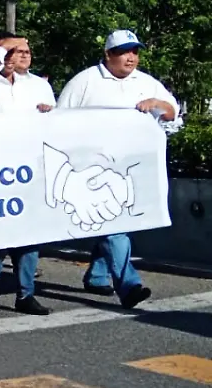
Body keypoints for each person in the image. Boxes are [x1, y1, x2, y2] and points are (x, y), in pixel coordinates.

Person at [57, 29, 176, 309]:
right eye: (124, 51)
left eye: (135, 51)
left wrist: (157, 104)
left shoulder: (146, 82)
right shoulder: (85, 81)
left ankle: (98, 274)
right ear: (108, 54)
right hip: (92, 169)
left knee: (118, 223)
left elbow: (172, 113)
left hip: (132, 168)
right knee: (114, 225)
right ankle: (129, 285)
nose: (131, 57)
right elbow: (60, 122)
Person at [0, 33, 54, 316]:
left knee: (31, 232)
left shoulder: (40, 85)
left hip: (32, 166)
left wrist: (49, 114)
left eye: (27, 50)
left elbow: (55, 122)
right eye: (17, 50)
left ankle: (25, 293)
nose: (24, 55)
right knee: (3, 232)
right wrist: (0, 50)